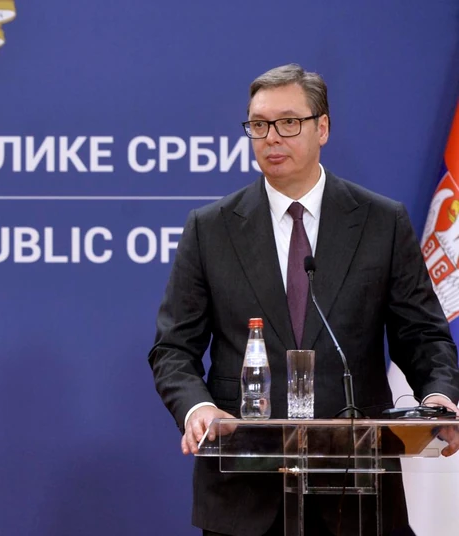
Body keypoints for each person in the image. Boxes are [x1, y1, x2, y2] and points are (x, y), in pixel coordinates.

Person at [148, 64, 459, 535]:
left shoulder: (381, 222)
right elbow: (172, 349)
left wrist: (438, 397)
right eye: (259, 125)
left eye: (289, 122)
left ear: (323, 128)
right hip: (245, 495)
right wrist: (199, 409)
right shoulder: (210, 229)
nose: (272, 137)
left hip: (357, 490)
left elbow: (423, 336)